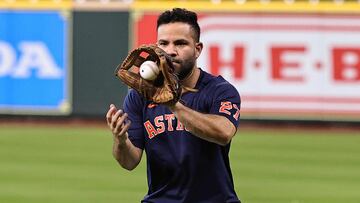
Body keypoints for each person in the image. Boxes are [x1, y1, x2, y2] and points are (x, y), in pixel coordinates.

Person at [106, 8, 241, 203]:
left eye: (180, 43)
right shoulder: (141, 94)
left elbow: (223, 133)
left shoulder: (220, 90)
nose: (170, 51)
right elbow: (129, 162)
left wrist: (173, 104)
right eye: (163, 43)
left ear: (198, 49)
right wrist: (120, 140)